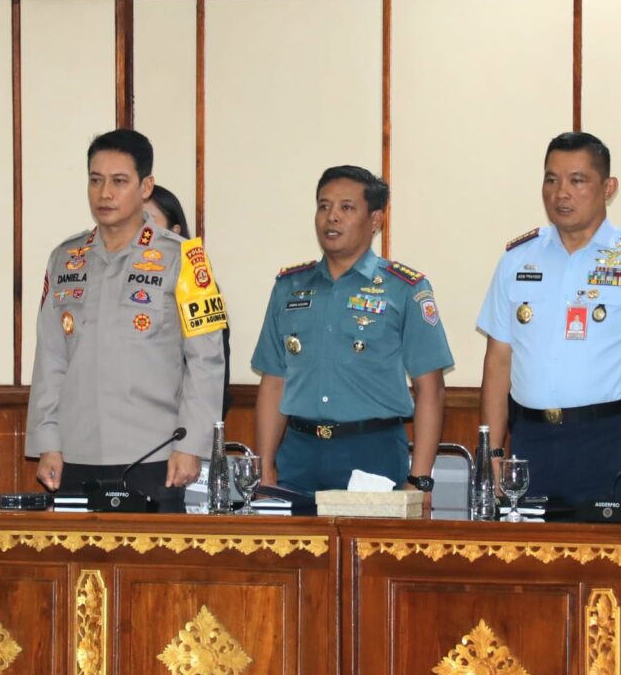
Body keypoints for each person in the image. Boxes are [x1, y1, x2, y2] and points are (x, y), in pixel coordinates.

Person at [477, 132, 621, 509]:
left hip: (611, 442)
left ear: (608, 187)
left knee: (609, 549)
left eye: (577, 181)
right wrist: (491, 454)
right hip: (530, 441)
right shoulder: (517, 259)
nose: (561, 193)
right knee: (527, 548)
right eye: (551, 179)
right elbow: (498, 363)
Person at [26, 129, 228, 511]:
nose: (105, 193)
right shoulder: (65, 258)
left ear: (145, 186)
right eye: (96, 180)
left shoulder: (186, 259)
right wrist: (48, 442)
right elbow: (51, 358)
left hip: (154, 456)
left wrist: (191, 446)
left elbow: (206, 360)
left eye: (119, 181)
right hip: (75, 452)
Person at [251, 166, 453, 496]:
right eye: (324, 206)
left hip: (373, 451)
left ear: (375, 220)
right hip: (299, 452)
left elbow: (431, 389)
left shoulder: (405, 288)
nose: (331, 217)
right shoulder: (289, 287)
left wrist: (419, 480)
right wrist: (265, 469)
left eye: (346, 207)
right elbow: (274, 381)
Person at [145, 183, 232, 419]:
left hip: (178, 425)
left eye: (149, 220)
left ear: (174, 230)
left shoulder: (197, 286)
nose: (141, 231)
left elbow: (211, 372)